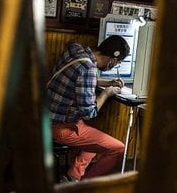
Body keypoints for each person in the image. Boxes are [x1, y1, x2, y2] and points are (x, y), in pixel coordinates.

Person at [46, 35, 130, 182]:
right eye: (116, 64)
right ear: (113, 60)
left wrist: (106, 82)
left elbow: (76, 76)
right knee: (118, 148)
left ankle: (73, 177)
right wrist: (107, 92)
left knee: (95, 139)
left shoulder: (75, 50)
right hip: (59, 127)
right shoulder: (89, 69)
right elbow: (89, 113)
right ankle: (84, 186)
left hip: (45, 116)